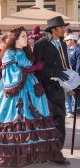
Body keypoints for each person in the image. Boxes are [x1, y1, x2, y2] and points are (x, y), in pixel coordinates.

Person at [0, 26, 65, 167]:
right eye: (24, 36)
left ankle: (31, 153)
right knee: (16, 120)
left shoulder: (24, 52)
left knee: (34, 118)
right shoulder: (9, 53)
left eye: (27, 36)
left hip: (30, 88)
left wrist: (34, 68)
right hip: (14, 91)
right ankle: (14, 154)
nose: (27, 39)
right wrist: (30, 69)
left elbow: (26, 66)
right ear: (16, 39)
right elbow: (10, 73)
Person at [33, 16, 71, 150]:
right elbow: (36, 66)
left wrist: (72, 83)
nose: (63, 29)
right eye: (61, 27)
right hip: (45, 87)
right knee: (44, 118)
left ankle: (57, 149)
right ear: (53, 30)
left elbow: (66, 66)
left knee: (60, 116)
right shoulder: (40, 44)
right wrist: (54, 72)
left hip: (59, 87)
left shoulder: (63, 44)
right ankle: (43, 147)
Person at [65, 33, 80, 118]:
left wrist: (76, 75)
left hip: (75, 75)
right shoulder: (66, 50)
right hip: (67, 75)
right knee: (67, 93)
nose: (66, 41)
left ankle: (75, 109)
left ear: (72, 40)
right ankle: (69, 111)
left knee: (75, 93)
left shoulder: (78, 50)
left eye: (67, 40)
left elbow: (79, 64)